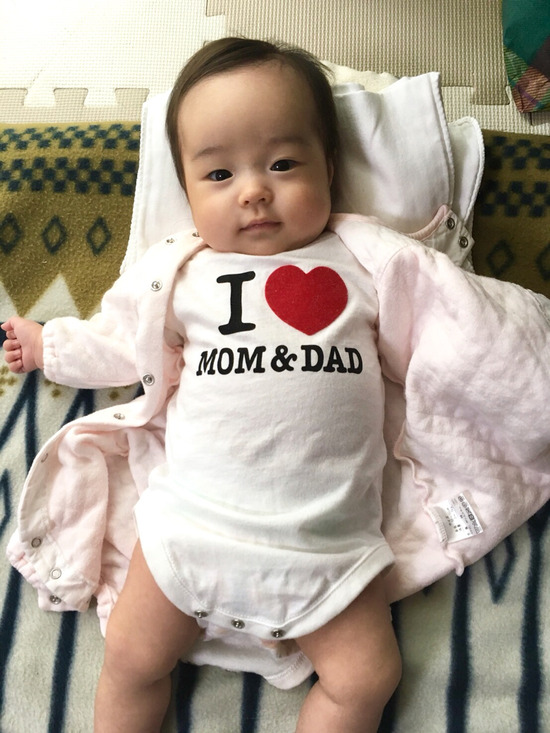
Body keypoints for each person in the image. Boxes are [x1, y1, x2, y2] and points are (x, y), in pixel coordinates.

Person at [2, 38, 402, 733]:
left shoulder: (369, 260)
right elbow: (123, 338)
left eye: (283, 164)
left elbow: (445, 333)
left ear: (330, 167)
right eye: (219, 173)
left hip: (327, 546)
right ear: (187, 192)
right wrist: (50, 344)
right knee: (130, 658)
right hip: (191, 531)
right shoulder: (183, 271)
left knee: (367, 678)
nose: (254, 190)